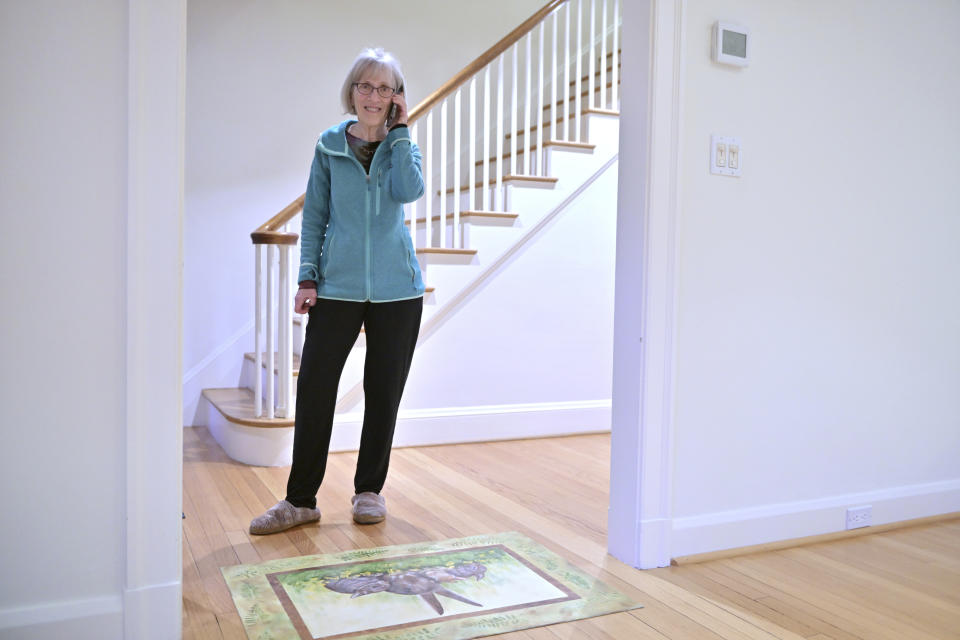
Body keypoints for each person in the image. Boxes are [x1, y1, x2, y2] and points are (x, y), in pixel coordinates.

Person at [250, 48, 425, 535]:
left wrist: (401, 135)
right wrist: (308, 277)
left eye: (384, 88)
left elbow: (409, 192)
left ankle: (369, 490)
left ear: (396, 98)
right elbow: (315, 215)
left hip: (398, 290)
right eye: (365, 87)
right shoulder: (328, 146)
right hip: (337, 287)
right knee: (315, 389)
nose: (373, 96)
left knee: (383, 393)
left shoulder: (401, 144)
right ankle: (300, 500)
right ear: (352, 92)